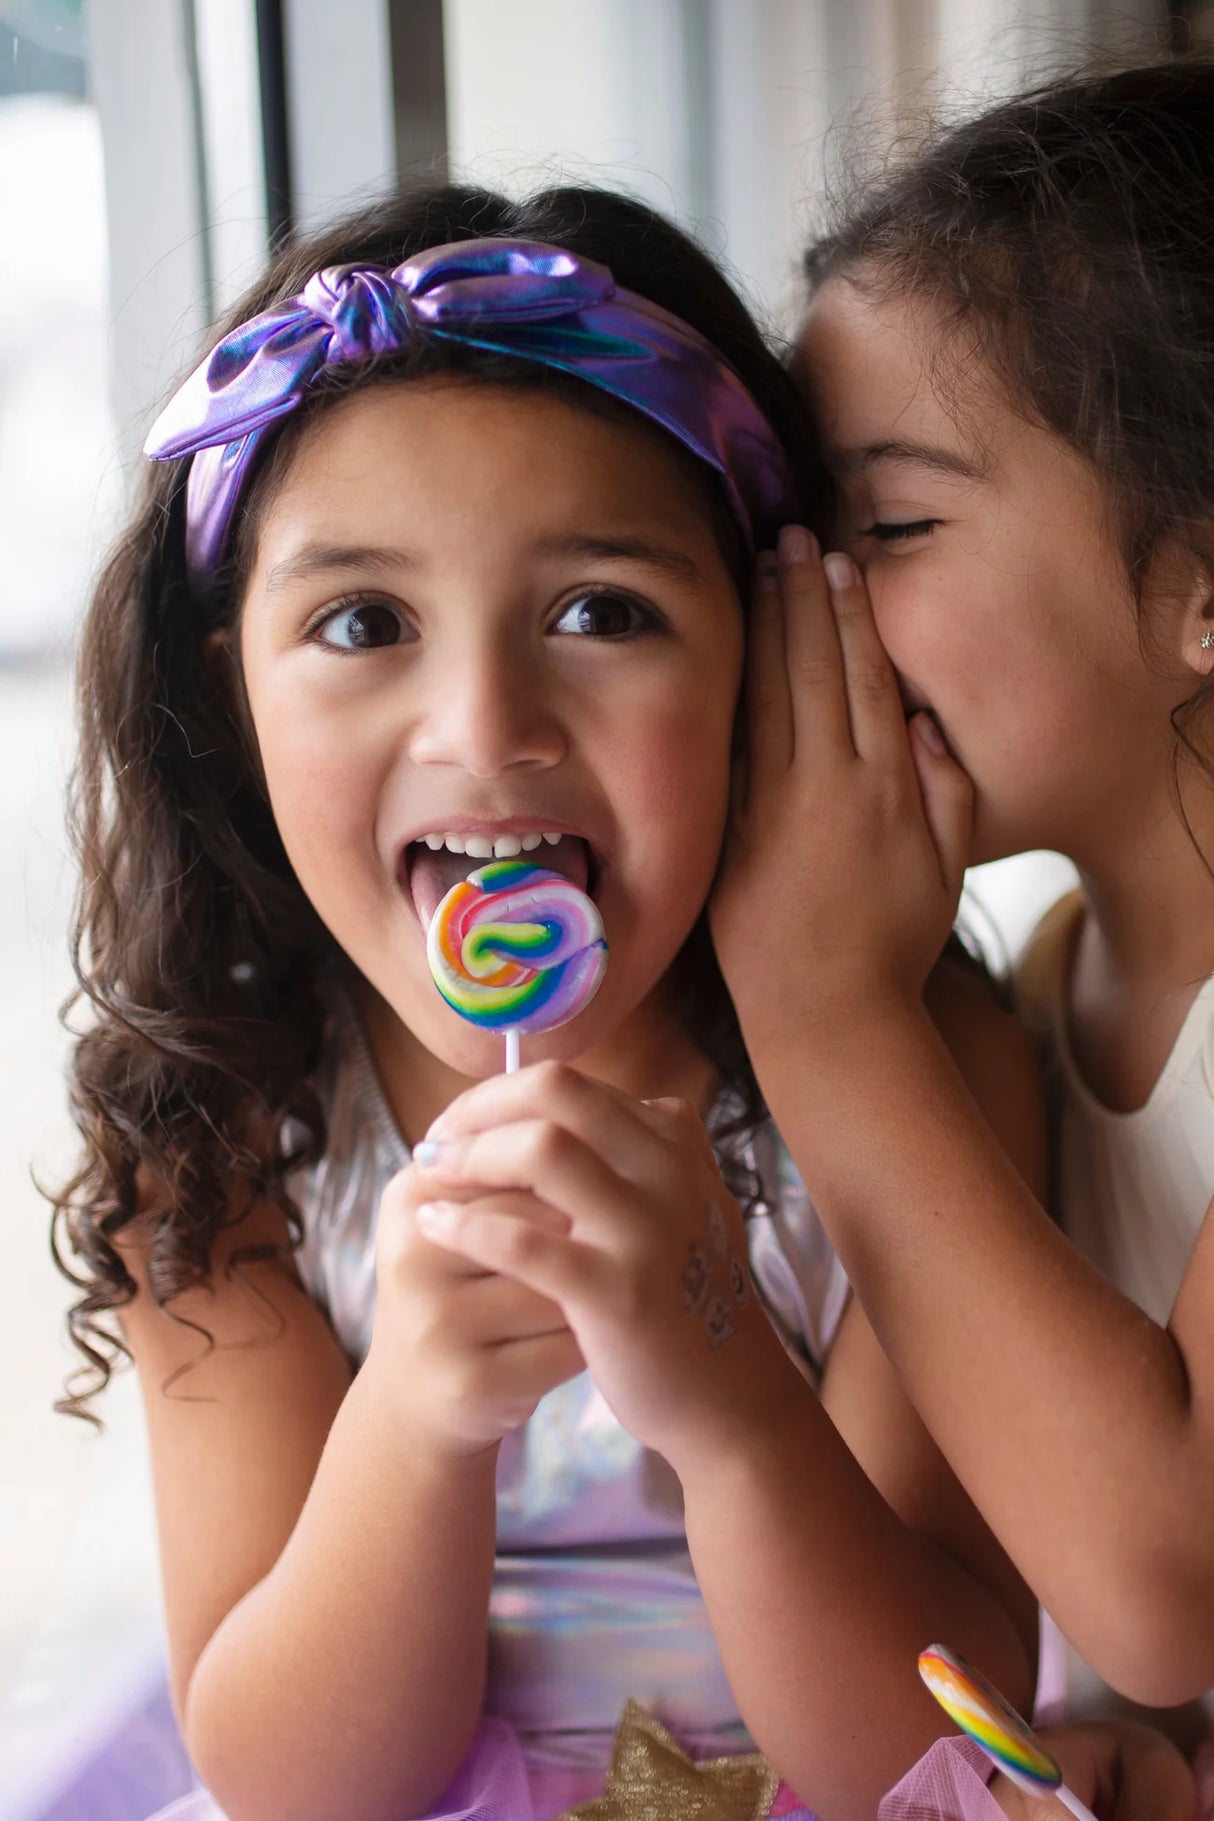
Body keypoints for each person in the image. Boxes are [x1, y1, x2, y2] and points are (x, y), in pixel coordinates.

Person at [51, 182, 1043, 1821]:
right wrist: (418, 1421)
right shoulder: (224, 1136)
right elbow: (293, 1782)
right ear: (225, 692)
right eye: (362, 621)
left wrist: (725, 1401)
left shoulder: (917, 1078)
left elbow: (937, 1749)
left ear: (774, 658)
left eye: (602, 610)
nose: (485, 720)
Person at [711, 58, 1214, 1820]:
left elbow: (1161, 1581)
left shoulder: (894, 1009)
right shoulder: (1039, 966)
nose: (815, 597)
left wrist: (821, 1011)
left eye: (894, 526)